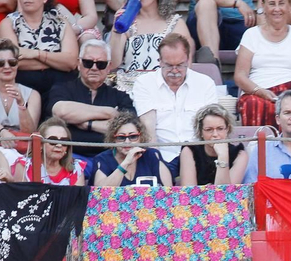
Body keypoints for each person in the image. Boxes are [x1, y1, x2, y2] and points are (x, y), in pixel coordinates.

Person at [134, 34, 218, 171]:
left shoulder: (206, 83)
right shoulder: (144, 83)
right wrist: (156, 164)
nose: (174, 71)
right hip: (163, 155)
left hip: (199, 155)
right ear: (160, 61)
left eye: (180, 65)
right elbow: (148, 128)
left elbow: (211, 126)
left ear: (188, 60)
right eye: (168, 66)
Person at [107, 0, 192, 95]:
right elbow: (114, 63)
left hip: (163, 89)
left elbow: (185, 64)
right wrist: (116, 30)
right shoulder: (127, 22)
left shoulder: (175, 23)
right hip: (129, 89)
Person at [234, 0, 291, 127]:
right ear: (263, 6)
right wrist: (259, 91)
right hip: (258, 91)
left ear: (289, 6)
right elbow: (240, 75)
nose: (277, 9)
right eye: (271, 4)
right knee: (252, 104)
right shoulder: (251, 35)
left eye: (281, 3)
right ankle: (258, 148)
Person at [0, 0, 80, 100]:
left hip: (60, 87)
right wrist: (55, 60)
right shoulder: (9, 23)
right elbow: (13, 62)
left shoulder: (61, 22)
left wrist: (35, 54)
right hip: (22, 86)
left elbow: (71, 62)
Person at [49, 41, 134, 163]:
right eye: (88, 63)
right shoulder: (62, 89)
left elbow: (125, 128)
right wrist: (109, 112)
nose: (94, 68)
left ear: (109, 67)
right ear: (79, 63)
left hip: (111, 159)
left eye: (101, 64)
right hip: (69, 158)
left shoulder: (120, 97)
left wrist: (87, 124)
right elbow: (61, 112)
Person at [0, 41, 42, 154]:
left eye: (12, 62)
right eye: (0, 63)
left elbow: (29, 131)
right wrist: (2, 132)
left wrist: (21, 104)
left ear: (17, 64)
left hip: (24, 152)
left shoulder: (33, 95)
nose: (7, 67)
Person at [94, 111, 172, 188]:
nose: (127, 142)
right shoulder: (103, 159)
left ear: (141, 138)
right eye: (121, 137)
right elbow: (100, 193)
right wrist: (126, 162)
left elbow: (170, 192)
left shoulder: (152, 155)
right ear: (113, 139)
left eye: (133, 137)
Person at [177, 102, 249, 185]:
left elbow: (226, 193)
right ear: (200, 131)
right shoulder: (189, 151)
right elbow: (189, 192)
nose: (215, 134)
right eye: (209, 129)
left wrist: (223, 157)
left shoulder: (239, 154)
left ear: (227, 129)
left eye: (220, 129)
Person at [34, 118, 86, 186]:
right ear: (40, 144)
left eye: (64, 141)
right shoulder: (25, 167)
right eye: (53, 140)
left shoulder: (76, 169)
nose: (59, 145)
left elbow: (77, 196)